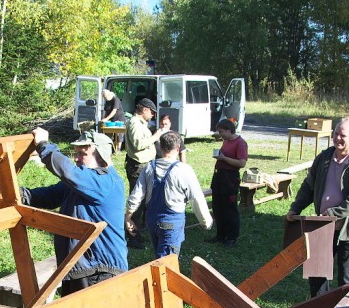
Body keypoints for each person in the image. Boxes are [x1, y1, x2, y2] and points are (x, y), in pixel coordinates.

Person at [21, 127, 128, 295]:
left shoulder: (105, 181)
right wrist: (16, 193)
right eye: (75, 152)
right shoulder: (82, 184)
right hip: (79, 268)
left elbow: (67, 171)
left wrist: (43, 145)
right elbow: (45, 196)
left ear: (102, 157)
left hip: (99, 270)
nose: (76, 158)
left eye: (82, 154)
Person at [287, 117, 349, 297]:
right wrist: (296, 208)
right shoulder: (324, 158)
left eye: (343, 135)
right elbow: (309, 186)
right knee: (317, 270)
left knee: (346, 275)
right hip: (322, 224)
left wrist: (334, 213)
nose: (338, 139)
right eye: (336, 134)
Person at [125, 131, 211, 258]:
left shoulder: (149, 167)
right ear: (178, 148)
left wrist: (128, 217)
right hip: (171, 222)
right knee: (167, 265)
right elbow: (196, 198)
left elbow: (136, 195)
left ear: (160, 147)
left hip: (152, 221)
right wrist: (206, 221)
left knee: (159, 258)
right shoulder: (184, 170)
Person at [124, 97, 165, 248]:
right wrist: (155, 136)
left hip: (143, 165)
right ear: (145, 110)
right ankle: (131, 236)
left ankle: (137, 233)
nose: (153, 115)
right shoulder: (134, 123)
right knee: (137, 202)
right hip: (137, 166)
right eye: (152, 112)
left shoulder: (141, 123)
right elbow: (138, 144)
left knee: (144, 201)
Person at [209, 118, 248, 247]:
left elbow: (241, 163)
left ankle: (231, 237)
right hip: (219, 176)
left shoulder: (240, 143)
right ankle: (220, 235)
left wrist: (224, 158)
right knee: (218, 206)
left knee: (229, 208)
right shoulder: (226, 141)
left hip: (230, 178)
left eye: (222, 132)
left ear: (229, 130)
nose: (220, 134)